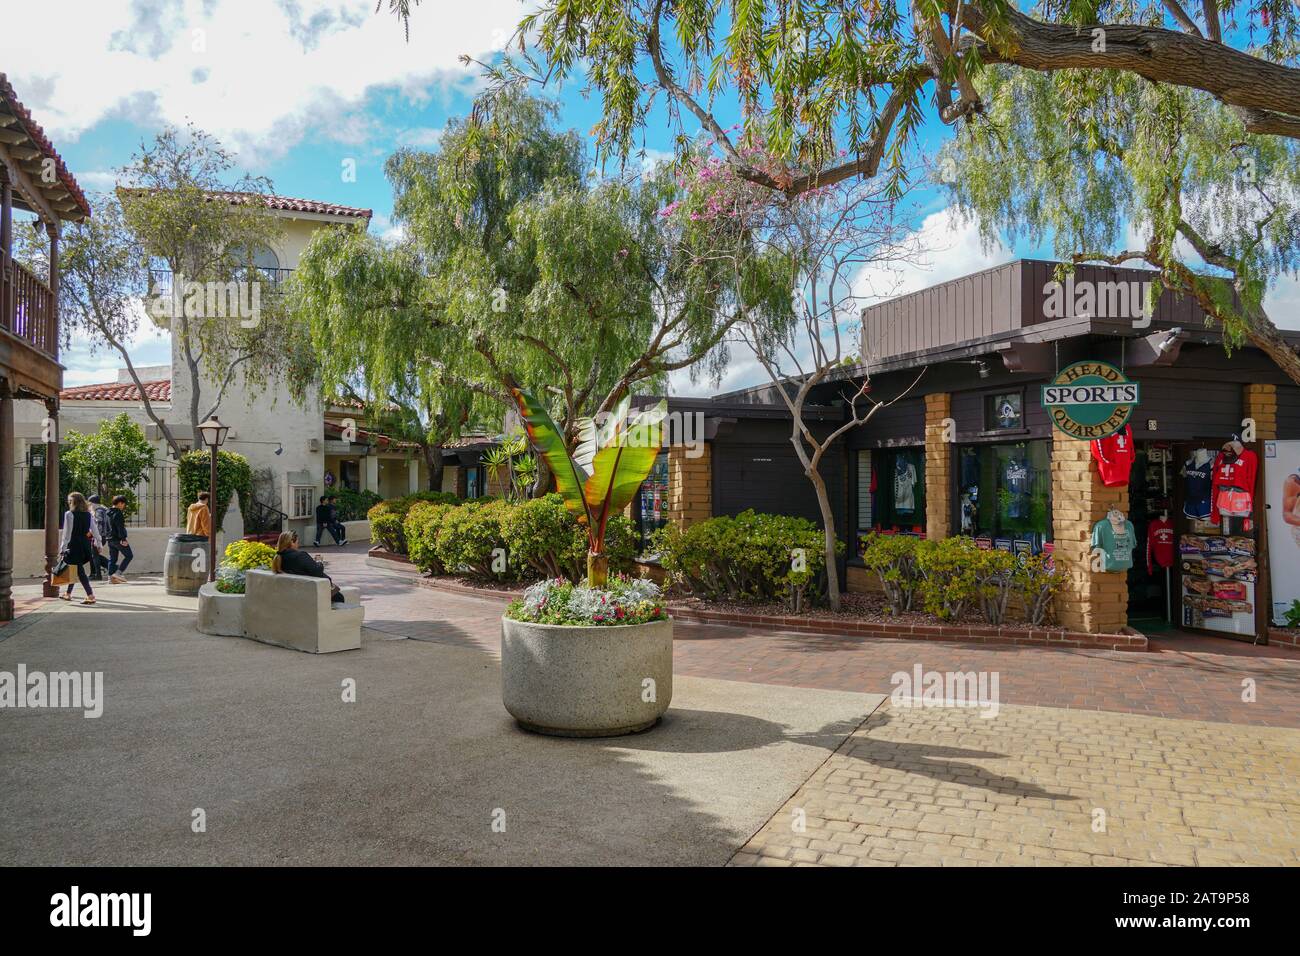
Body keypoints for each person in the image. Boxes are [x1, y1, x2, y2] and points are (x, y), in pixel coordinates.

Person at [272, 531, 345, 604]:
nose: (298, 544)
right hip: (313, 592)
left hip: (298, 593)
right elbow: (317, 572)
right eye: (297, 542)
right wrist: (320, 564)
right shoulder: (300, 556)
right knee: (340, 598)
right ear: (291, 542)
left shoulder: (280, 558)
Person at [58, 492, 102, 605]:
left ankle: (90, 595)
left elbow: (67, 534)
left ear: (73, 502)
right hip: (85, 544)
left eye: (70, 501)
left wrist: (62, 548)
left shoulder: (69, 514)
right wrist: (99, 543)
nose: (69, 503)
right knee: (75, 568)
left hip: (74, 545)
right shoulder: (88, 514)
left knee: (79, 571)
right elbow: (94, 529)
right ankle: (68, 593)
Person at [107, 494, 133, 584]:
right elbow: (120, 527)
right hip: (118, 539)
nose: (124, 506)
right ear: (120, 503)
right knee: (129, 555)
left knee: (112, 559)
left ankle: (111, 578)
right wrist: (123, 539)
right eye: (124, 504)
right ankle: (118, 573)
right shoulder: (118, 513)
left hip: (109, 539)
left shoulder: (108, 512)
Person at [88, 494, 111, 581]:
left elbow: (99, 524)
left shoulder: (98, 511)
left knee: (95, 556)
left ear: (93, 504)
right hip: (103, 536)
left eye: (90, 504)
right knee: (94, 555)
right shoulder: (104, 510)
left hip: (99, 536)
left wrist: (97, 538)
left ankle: (97, 575)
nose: (90, 506)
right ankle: (112, 567)